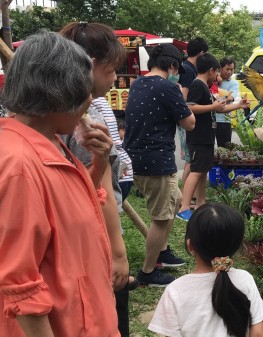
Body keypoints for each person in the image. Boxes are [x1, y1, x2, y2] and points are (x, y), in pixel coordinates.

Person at [0, 31, 119, 337]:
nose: (90, 100)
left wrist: (100, 164)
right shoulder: (19, 167)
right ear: (57, 95)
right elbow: (19, 284)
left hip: (87, 317)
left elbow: (74, 210)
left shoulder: (51, 142)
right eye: (83, 92)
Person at [59, 21, 135, 337]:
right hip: (91, 234)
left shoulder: (84, 109)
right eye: (110, 69)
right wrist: (117, 252)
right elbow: (100, 190)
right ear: (87, 66)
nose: (115, 77)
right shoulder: (79, 120)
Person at [124, 43, 196, 286]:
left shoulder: (138, 83)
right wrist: (179, 94)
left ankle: (163, 252)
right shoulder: (168, 87)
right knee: (161, 217)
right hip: (157, 160)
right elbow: (190, 123)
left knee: (174, 200)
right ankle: (148, 272)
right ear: (173, 66)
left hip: (136, 158)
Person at [149, 203, 263, 337]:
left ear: (190, 245)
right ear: (237, 246)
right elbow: (258, 334)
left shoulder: (176, 291)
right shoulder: (245, 280)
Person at [176, 54, 249, 221]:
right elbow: (190, 108)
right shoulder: (197, 85)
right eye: (216, 72)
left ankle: (201, 203)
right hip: (198, 137)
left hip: (206, 136)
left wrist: (239, 105)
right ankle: (185, 207)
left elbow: (218, 109)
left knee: (203, 171)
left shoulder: (205, 87)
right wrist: (213, 105)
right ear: (210, 70)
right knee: (196, 171)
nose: (217, 76)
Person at [178, 37, 209, 207]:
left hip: (185, 118)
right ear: (202, 53)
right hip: (188, 120)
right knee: (191, 161)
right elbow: (184, 97)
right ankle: (185, 201)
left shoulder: (185, 67)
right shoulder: (190, 71)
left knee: (192, 161)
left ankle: (194, 198)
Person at [216, 57, 242, 147]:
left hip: (225, 120)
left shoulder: (234, 83)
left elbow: (230, 98)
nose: (229, 72)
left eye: (232, 69)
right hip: (211, 119)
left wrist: (217, 99)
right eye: (227, 69)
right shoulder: (213, 80)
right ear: (220, 68)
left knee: (224, 147)